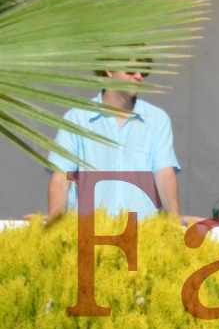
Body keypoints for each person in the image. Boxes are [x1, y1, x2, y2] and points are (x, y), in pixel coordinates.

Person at [46, 63, 182, 220]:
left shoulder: (157, 119)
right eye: (131, 70)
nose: (138, 76)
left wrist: (174, 220)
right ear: (110, 70)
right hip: (87, 234)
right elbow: (61, 177)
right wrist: (54, 220)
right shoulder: (76, 118)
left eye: (144, 71)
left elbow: (164, 174)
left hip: (144, 234)